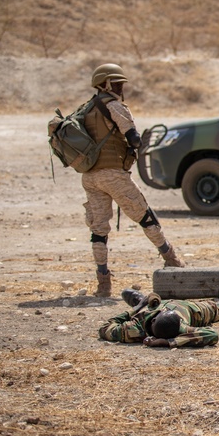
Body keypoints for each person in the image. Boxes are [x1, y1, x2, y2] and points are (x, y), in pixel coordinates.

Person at [79, 64, 185, 299]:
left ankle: (103, 283)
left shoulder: (85, 110)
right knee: (145, 216)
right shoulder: (115, 107)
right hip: (113, 175)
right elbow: (134, 138)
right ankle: (171, 259)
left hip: (90, 177)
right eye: (116, 84)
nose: (120, 88)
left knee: (98, 230)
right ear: (105, 85)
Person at [98, 289, 219, 348]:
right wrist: (169, 342)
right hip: (189, 308)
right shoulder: (180, 327)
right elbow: (211, 335)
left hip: (149, 306)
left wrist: (138, 307)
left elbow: (106, 327)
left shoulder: (133, 329)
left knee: (129, 293)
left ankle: (139, 300)